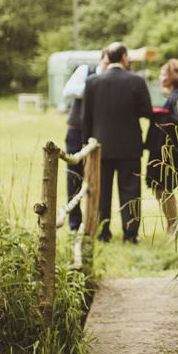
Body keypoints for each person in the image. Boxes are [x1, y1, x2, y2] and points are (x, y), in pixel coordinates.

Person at [81, 42, 152, 243]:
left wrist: (87, 146)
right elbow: (146, 111)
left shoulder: (92, 82)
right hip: (130, 146)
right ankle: (131, 234)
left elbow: (86, 118)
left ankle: (103, 233)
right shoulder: (136, 81)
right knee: (130, 191)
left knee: (102, 192)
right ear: (124, 57)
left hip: (101, 147)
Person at [62, 49, 109, 231]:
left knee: (97, 179)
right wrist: (94, 87)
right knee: (74, 177)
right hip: (76, 131)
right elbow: (68, 90)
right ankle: (74, 223)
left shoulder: (109, 81)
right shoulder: (85, 70)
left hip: (98, 135)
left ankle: (94, 222)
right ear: (100, 61)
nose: (106, 67)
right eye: (105, 63)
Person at [145, 59, 178, 234]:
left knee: (165, 188)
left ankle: (173, 226)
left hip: (169, 149)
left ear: (172, 77)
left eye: (163, 74)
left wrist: (158, 115)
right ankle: (173, 224)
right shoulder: (174, 95)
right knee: (160, 188)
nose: (160, 77)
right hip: (163, 148)